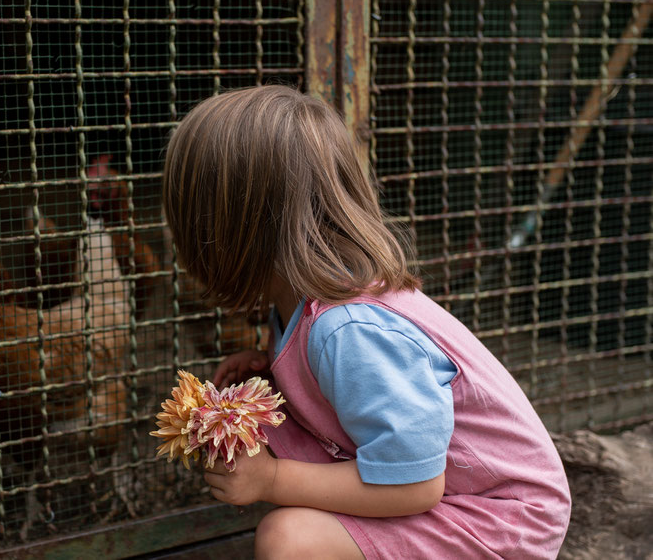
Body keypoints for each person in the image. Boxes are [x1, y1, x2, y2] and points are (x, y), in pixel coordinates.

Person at [161, 85, 571, 559]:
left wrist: (271, 479)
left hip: (500, 519)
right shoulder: (301, 299)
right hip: (458, 497)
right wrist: (274, 378)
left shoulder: (349, 329)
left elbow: (414, 485)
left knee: (289, 539)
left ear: (230, 226)